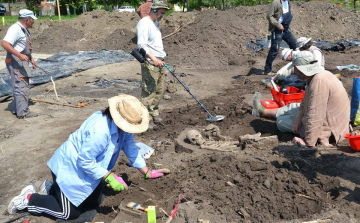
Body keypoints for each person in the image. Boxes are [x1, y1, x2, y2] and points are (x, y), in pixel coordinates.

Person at [7, 94, 170, 220]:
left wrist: (146, 170)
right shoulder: (100, 131)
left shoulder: (122, 129)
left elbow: (130, 147)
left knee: (94, 202)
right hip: (69, 169)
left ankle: (50, 189)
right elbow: (83, 161)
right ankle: (29, 199)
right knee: (69, 213)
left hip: (86, 169)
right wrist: (108, 175)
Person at [253, 51, 350, 147]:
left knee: (281, 122)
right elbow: (304, 102)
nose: (294, 72)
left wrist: (308, 141)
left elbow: (316, 114)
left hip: (331, 129)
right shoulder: (318, 76)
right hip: (329, 118)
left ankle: (308, 134)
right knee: (293, 108)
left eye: (295, 68)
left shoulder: (319, 82)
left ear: (300, 69)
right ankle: (263, 111)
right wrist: (298, 119)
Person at [1, 9, 38, 118]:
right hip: (15, 61)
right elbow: (5, 44)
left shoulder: (23, 29)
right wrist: (20, 55)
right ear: (27, 20)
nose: (33, 22)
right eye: (32, 20)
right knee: (21, 86)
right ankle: (23, 112)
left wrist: (31, 58)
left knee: (22, 85)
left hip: (20, 61)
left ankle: (18, 109)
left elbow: (22, 47)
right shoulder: (15, 29)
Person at [136, 1, 169, 122]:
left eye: (164, 14)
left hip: (160, 61)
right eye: (161, 13)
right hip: (151, 62)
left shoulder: (155, 23)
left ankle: (154, 111)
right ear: (154, 10)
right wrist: (154, 59)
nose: (162, 16)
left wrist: (160, 58)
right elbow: (141, 45)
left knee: (159, 90)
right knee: (149, 91)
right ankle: (145, 118)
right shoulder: (144, 23)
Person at [264, 0, 297, 75]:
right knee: (274, 49)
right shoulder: (276, 2)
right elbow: (269, 16)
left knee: (295, 45)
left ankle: (297, 66)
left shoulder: (288, 2)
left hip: (286, 29)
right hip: (277, 30)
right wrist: (278, 25)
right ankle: (267, 70)